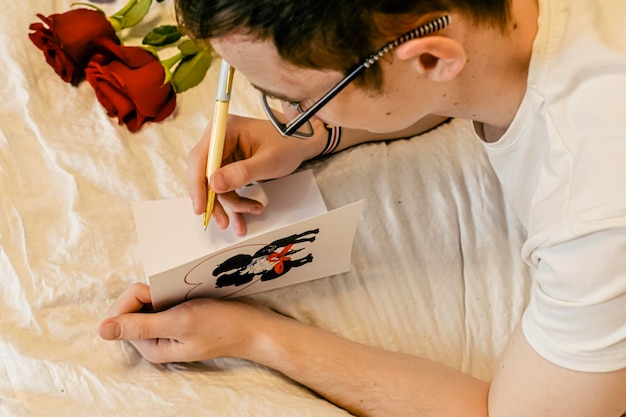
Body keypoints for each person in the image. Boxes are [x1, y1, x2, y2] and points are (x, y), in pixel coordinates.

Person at [98, 0, 626, 415]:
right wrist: (314, 134)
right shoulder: (498, 30)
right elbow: (455, 83)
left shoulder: (596, 216)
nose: (287, 114)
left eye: (296, 99)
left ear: (431, 58)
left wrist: (253, 335)